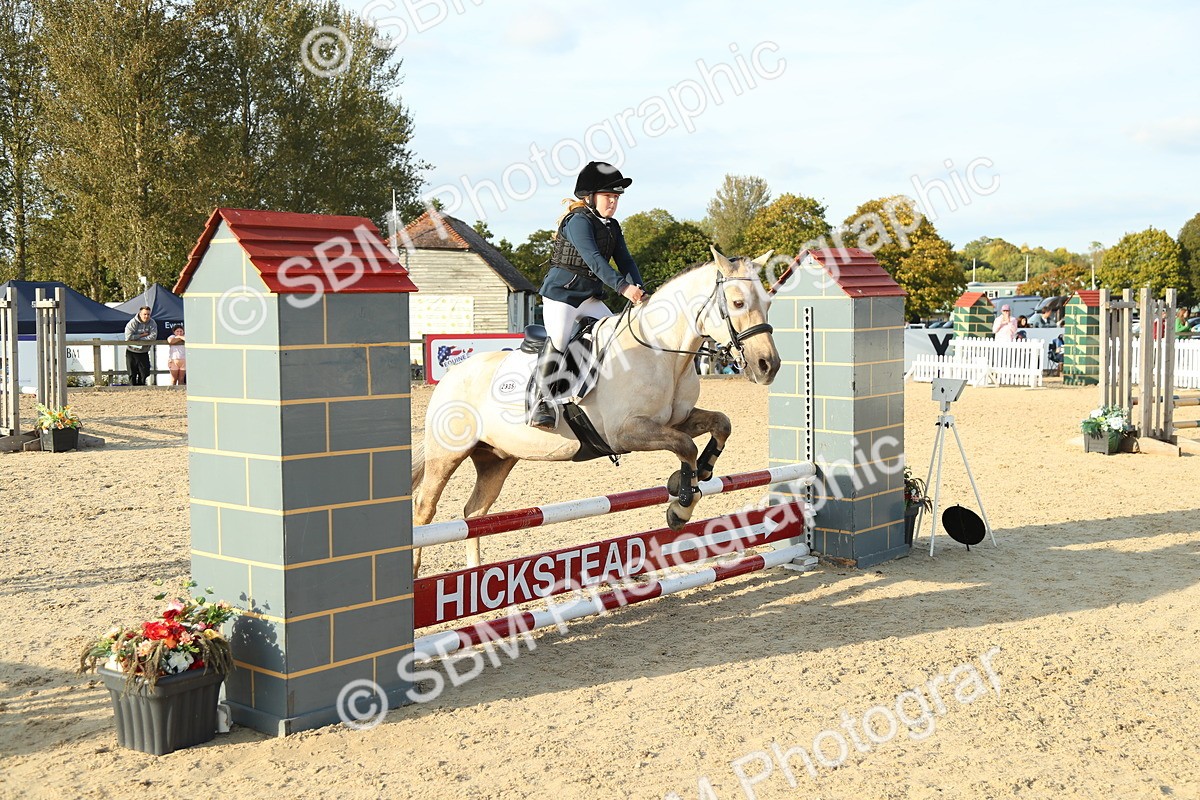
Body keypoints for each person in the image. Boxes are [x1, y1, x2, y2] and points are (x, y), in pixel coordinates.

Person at [529, 160, 646, 429]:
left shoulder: (612, 227)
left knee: (618, 336)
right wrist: (623, 288)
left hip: (590, 298)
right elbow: (594, 260)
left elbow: (626, 261)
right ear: (589, 197)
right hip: (562, 296)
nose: (613, 202)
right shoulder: (577, 222)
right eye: (608, 196)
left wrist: (641, 289)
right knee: (559, 339)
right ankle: (541, 401)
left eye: (616, 197)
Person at [124, 306, 158, 386]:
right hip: (131, 351)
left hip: (144, 351)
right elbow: (128, 338)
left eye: (148, 314)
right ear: (140, 314)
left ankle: (141, 388)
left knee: (144, 373)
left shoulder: (152, 323)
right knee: (132, 373)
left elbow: (153, 337)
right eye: (144, 314)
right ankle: (132, 390)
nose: (146, 316)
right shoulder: (132, 323)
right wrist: (141, 335)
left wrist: (138, 338)